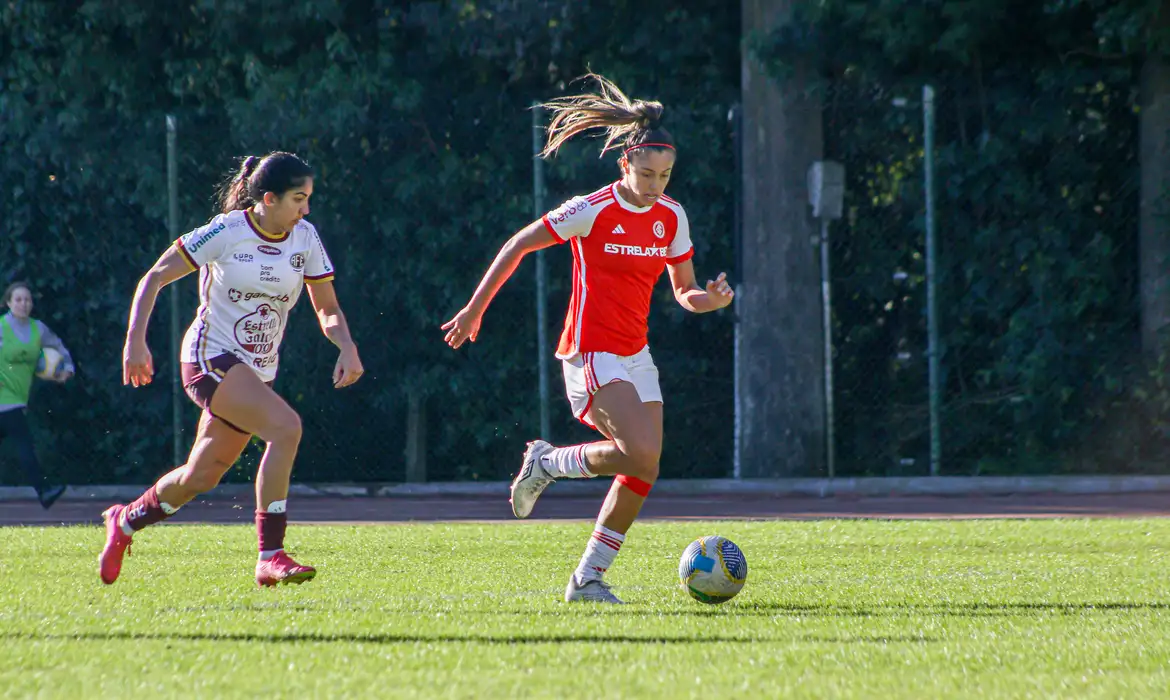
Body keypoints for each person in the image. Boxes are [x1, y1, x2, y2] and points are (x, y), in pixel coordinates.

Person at [442, 75, 735, 603]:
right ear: (624, 165)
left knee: (645, 467)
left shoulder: (672, 217)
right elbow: (517, 244)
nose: (655, 185)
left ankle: (587, 579)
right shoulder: (592, 208)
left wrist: (708, 301)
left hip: (636, 353)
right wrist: (473, 309)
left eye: (665, 175)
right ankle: (548, 463)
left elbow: (684, 289)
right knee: (638, 450)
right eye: (646, 173)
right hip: (590, 350)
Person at [100, 152, 364, 587]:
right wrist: (134, 342)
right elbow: (154, 277)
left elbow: (328, 307)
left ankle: (125, 521)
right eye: (299, 198)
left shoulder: (306, 238)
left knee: (201, 475)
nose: (307, 208)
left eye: (309, 198)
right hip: (210, 358)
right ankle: (271, 555)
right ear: (267, 198)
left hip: (257, 370)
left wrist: (346, 346)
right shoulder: (227, 231)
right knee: (286, 428)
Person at [0, 282, 75, 509]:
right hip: (4, 399)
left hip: (16, 400)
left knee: (24, 444)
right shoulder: (2, 328)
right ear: (8, 303)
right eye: (18, 300)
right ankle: (43, 491)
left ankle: (44, 491)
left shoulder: (38, 329)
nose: (24, 304)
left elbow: (59, 349)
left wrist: (67, 370)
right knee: (25, 445)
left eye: (27, 300)